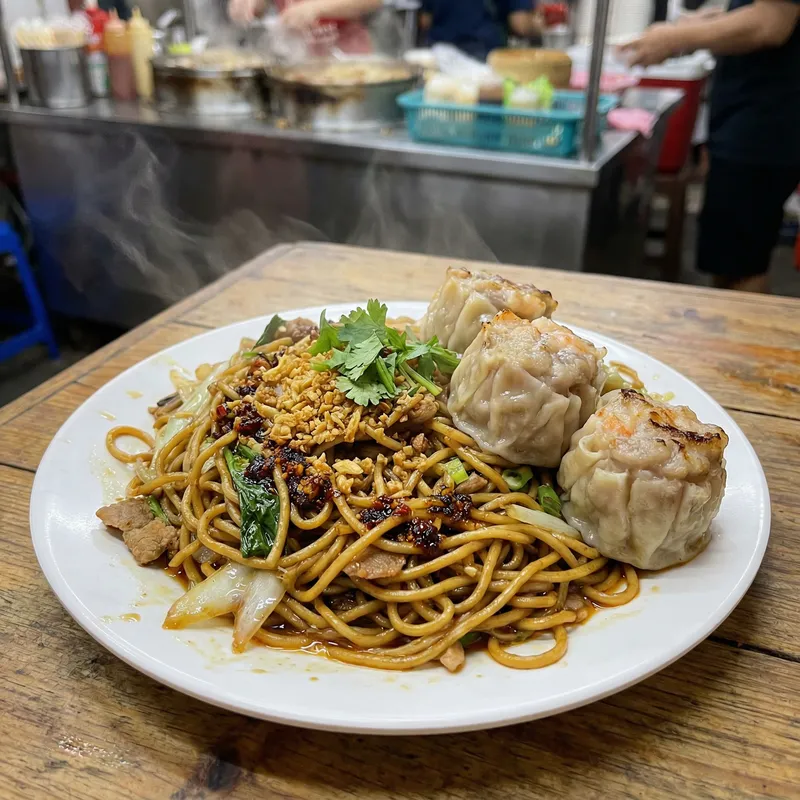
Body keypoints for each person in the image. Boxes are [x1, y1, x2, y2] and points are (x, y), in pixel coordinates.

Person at [621, 1, 800, 293]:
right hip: (755, 119)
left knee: (742, 266)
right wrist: (697, 23)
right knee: (733, 261)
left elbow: (770, 23)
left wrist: (675, 38)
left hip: (763, 124)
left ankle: (743, 324)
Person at [419, 0, 542, 61]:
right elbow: (521, 24)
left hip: (439, 55)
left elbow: (425, 20)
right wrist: (540, 25)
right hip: (484, 57)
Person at [228, 0, 381, 47]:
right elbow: (262, 6)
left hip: (346, 59)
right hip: (294, 59)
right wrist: (250, 5)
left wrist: (317, 7)